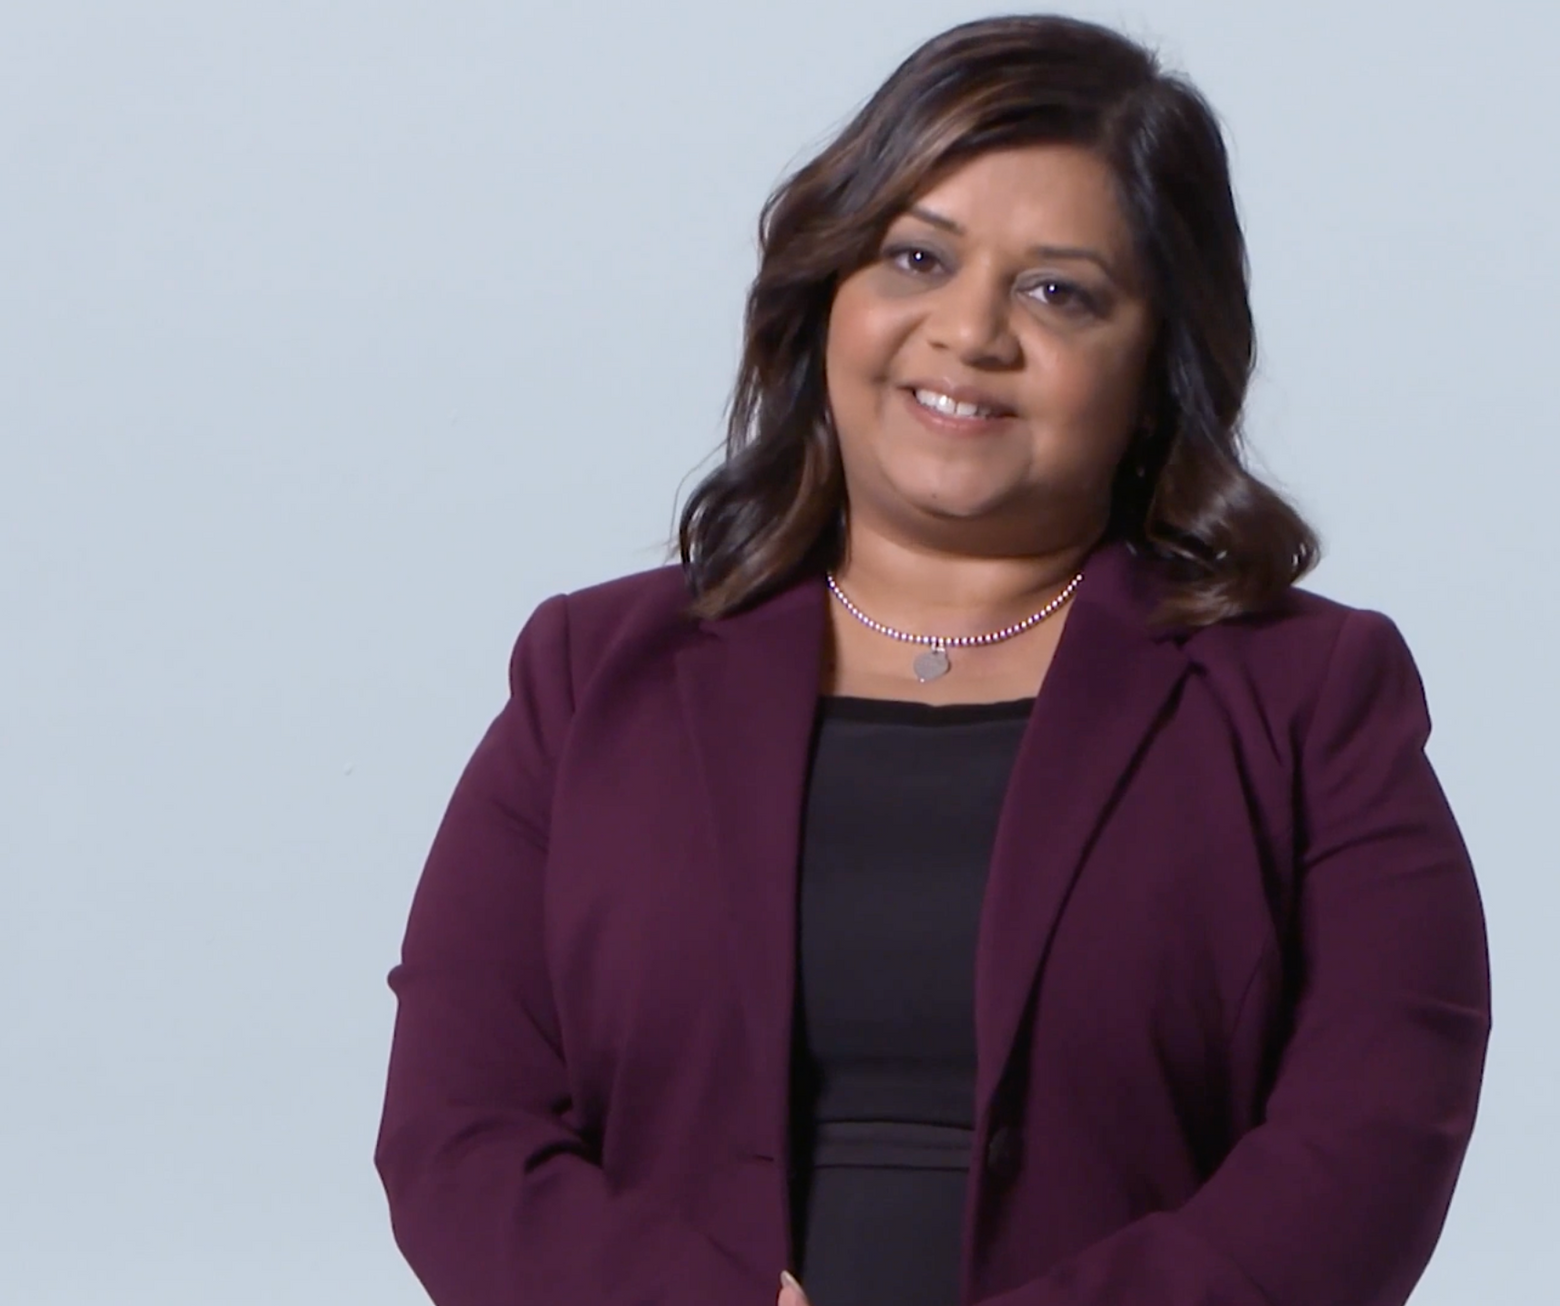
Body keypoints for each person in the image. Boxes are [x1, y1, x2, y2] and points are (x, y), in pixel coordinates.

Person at [374, 13, 1492, 1306]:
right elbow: (458, 1136)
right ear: (830, 288)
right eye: (916, 256)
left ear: (1157, 364)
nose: (970, 331)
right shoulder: (590, 674)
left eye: (1058, 290)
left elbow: (1368, 1144)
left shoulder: (1314, 698)